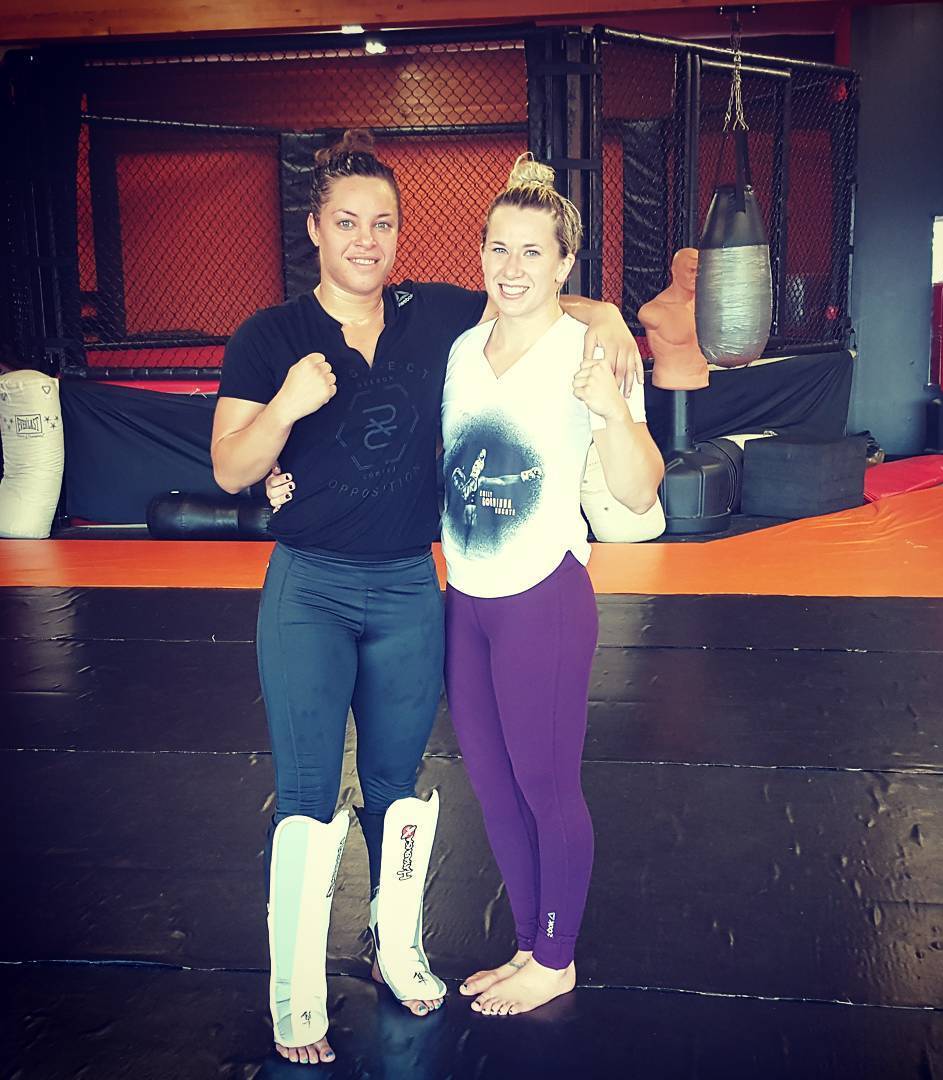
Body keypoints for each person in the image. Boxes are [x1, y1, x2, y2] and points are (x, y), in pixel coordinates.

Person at [211, 129, 642, 1066]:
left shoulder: (435, 316)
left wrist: (607, 314)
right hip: (323, 586)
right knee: (316, 791)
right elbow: (231, 466)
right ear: (315, 228)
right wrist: (284, 411)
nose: (366, 240)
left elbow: (534, 293)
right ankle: (298, 990)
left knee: (402, 789)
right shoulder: (272, 337)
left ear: (400, 233)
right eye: (347, 222)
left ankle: (401, 947)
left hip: (415, 586)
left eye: (383, 223)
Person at [440, 156, 663, 1016]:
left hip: (543, 601)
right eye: (499, 248)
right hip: (466, 600)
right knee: (494, 791)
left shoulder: (591, 350)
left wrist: (610, 408)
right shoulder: (462, 351)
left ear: (565, 263)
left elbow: (640, 492)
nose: (512, 267)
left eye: (533, 251)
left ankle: (557, 959)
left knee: (546, 788)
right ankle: (531, 945)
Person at [637, 247, 711, 391]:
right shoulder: (653, 312)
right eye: (691, 270)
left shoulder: (707, 306)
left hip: (703, 381)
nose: (696, 275)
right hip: (669, 383)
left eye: (700, 270)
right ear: (675, 271)